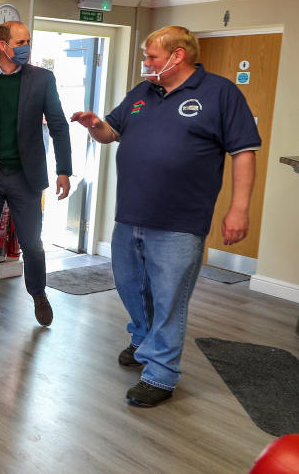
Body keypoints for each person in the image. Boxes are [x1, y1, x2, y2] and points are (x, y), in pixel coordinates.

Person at [70, 25, 260, 408]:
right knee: (130, 286)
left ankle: (160, 374)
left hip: (180, 221)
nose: (146, 62)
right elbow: (112, 132)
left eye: (152, 56)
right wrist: (95, 126)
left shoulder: (220, 93)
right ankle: (142, 337)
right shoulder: (143, 93)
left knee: (170, 297)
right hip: (131, 214)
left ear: (178, 56)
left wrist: (238, 209)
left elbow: (244, 152)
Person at [0, 20, 72, 336]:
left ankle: (38, 292)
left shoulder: (43, 79)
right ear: (3, 45)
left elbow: (59, 125)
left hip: (26, 177)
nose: (26, 47)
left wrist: (63, 169)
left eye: (28, 41)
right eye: (20, 42)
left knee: (33, 244)